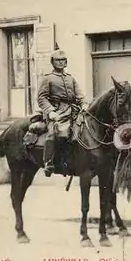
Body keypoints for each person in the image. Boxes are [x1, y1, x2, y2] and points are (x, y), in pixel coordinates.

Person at [37, 49, 87, 177]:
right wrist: (50, 112)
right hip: (56, 110)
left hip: (72, 110)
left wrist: (84, 104)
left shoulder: (70, 78)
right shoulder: (48, 78)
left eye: (63, 60)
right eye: (58, 60)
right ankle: (49, 162)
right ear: (52, 62)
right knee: (55, 131)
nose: (61, 63)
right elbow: (41, 98)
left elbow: (79, 95)